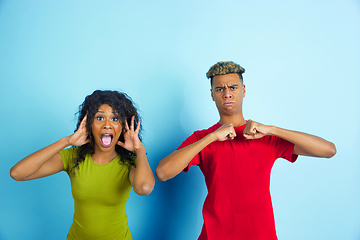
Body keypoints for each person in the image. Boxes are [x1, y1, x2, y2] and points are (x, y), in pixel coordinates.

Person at [156, 61, 336, 240]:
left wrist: (273, 129)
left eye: (233, 87)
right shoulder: (202, 138)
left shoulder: (265, 136)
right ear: (212, 94)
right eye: (220, 89)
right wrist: (211, 137)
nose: (227, 94)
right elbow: (163, 172)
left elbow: (329, 150)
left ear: (243, 90)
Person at [10, 90, 155, 240]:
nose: (107, 125)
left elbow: (144, 188)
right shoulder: (73, 157)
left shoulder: (130, 164)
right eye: (99, 118)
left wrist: (139, 149)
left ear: (123, 127)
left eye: (114, 118)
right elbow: (17, 173)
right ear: (89, 124)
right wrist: (66, 141)